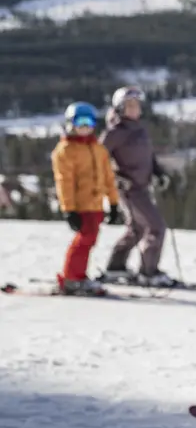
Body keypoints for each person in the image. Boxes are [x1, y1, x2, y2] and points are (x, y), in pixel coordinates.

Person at [100, 86, 176, 287]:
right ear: (119, 108)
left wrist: (158, 173)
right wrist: (117, 178)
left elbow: (148, 156)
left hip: (142, 186)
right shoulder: (115, 132)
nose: (135, 109)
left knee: (137, 229)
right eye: (130, 105)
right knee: (156, 227)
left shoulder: (139, 129)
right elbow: (98, 159)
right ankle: (148, 272)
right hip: (129, 189)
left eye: (137, 105)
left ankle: (115, 267)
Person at [51, 102, 122, 295]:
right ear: (70, 124)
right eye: (80, 122)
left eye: (89, 122)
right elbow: (64, 182)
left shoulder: (98, 149)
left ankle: (78, 275)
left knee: (90, 240)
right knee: (84, 239)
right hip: (80, 204)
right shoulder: (65, 150)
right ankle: (71, 277)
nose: (85, 126)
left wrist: (114, 203)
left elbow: (108, 177)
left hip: (96, 203)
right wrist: (69, 209)